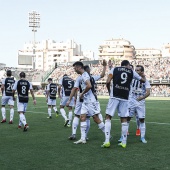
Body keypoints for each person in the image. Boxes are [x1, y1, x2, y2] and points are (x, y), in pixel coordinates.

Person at [102, 60, 146, 148]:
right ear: (128, 65)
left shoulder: (114, 69)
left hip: (114, 96)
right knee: (124, 118)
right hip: (125, 97)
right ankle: (124, 142)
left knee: (108, 117)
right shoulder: (132, 72)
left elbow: (107, 82)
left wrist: (109, 91)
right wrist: (143, 76)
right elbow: (143, 80)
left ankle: (107, 141)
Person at [67, 61, 105, 144]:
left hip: (89, 100)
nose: (74, 70)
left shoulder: (83, 76)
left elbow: (88, 86)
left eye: (74, 68)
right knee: (83, 117)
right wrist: (105, 67)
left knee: (95, 118)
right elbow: (101, 76)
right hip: (86, 100)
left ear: (79, 67)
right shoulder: (87, 76)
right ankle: (83, 138)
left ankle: (107, 135)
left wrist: (81, 93)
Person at [127, 65, 151, 143]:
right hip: (132, 101)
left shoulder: (146, 81)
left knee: (142, 119)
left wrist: (142, 98)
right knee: (127, 118)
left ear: (142, 72)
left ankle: (142, 137)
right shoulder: (132, 78)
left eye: (138, 70)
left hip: (140, 102)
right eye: (136, 70)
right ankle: (123, 136)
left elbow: (148, 92)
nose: (136, 71)